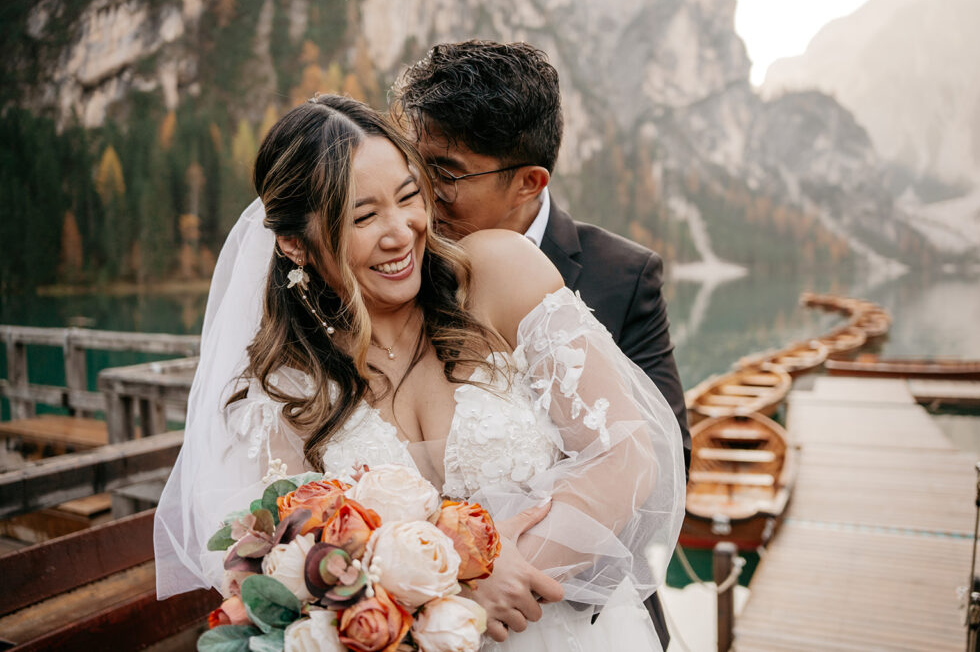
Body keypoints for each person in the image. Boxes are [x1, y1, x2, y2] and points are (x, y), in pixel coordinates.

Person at [153, 95, 686, 651]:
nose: (401, 232)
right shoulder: (285, 392)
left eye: (409, 197)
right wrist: (443, 604)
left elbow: (625, 452)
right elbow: (293, 572)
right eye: (362, 216)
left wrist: (499, 576)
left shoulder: (500, 273)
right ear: (293, 244)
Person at [393, 39, 690, 649]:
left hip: (571, 615)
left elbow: (663, 450)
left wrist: (501, 572)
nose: (421, 195)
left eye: (445, 174)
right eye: (412, 166)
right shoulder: (399, 260)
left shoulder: (622, 274)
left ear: (529, 181)